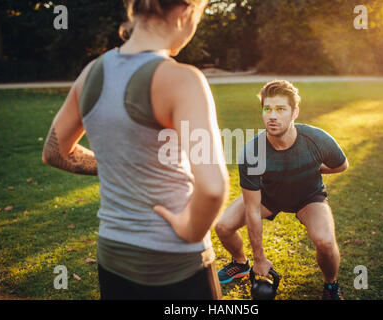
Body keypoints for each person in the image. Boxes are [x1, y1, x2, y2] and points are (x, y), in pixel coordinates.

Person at [42, 0, 229, 300]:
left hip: (112, 256)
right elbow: (213, 188)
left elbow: (54, 151)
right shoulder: (183, 79)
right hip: (175, 262)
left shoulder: (90, 73)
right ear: (185, 13)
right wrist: (190, 229)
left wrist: (121, 163)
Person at [214, 80, 349, 300]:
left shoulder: (317, 139)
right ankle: (240, 263)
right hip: (269, 196)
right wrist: (259, 258)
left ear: (294, 112)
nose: (272, 116)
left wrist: (314, 170)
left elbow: (341, 165)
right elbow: (252, 209)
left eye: (280, 109)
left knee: (325, 241)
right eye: (267, 109)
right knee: (223, 226)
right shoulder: (252, 152)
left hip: (308, 197)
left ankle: (331, 285)